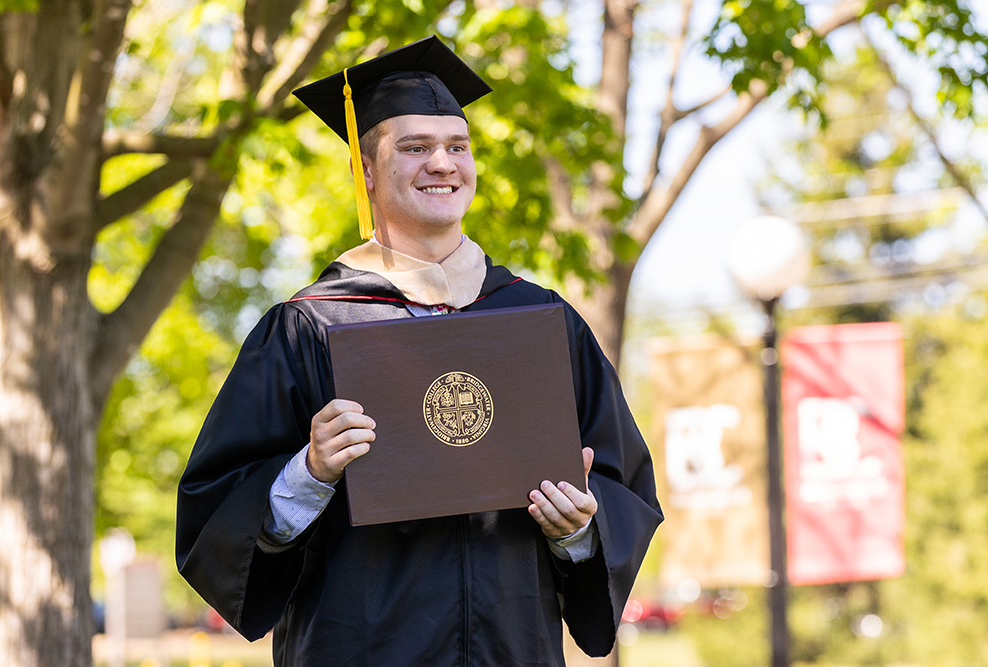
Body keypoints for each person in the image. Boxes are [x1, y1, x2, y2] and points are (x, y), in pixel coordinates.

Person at [176, 36, 663, 667]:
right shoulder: (307, 328)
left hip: (513, 651)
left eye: (457, 146)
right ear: (368, 172)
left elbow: (626, 486)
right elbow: (215, 518)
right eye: (415, 147)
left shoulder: (538, 319)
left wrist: (579, 532)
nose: (443, 163)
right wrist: (309, 473)